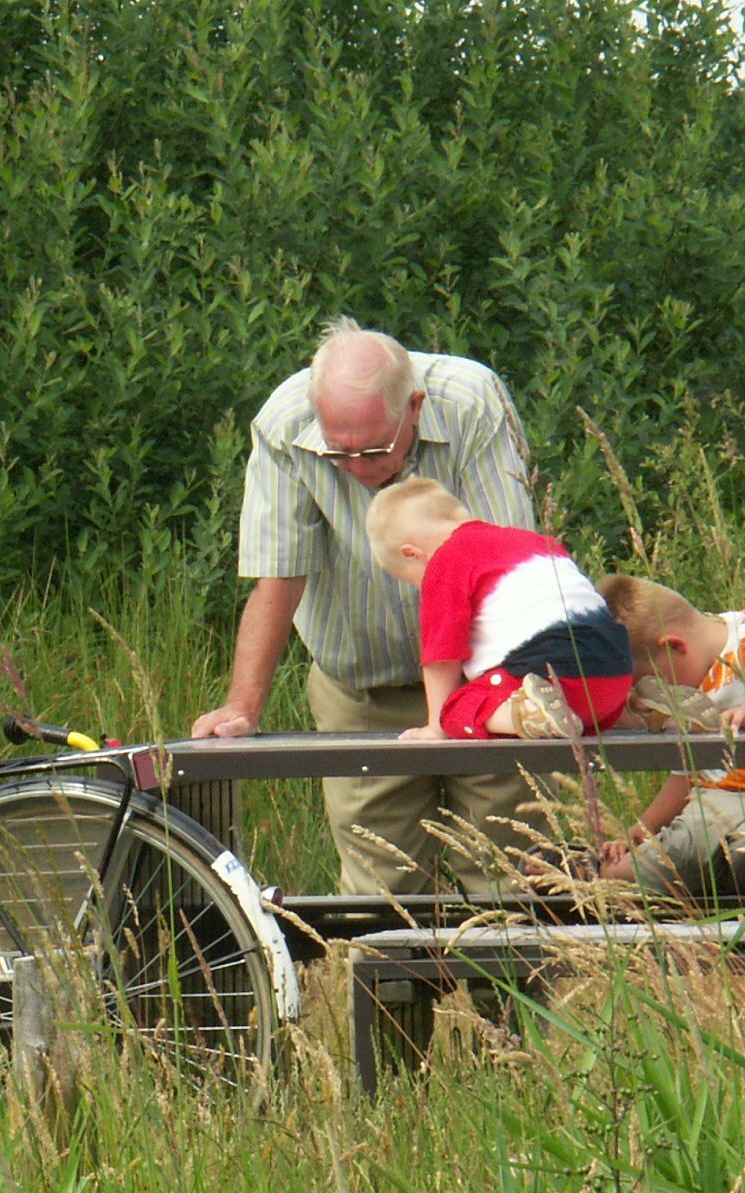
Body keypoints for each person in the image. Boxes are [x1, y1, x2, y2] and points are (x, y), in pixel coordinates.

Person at [190, 320, 545, 894]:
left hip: (489, 686)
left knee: (508, 881)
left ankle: (506, 987)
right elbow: (279, 577)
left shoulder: (471, 404)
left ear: (415, 408)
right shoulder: (285, 425)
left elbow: (505, 566)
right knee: (383, 897)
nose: (357, 468)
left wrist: (480, 700)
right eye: (340, 453)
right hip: (361, 691)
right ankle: (395, 987)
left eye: (374, 450)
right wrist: (242, 706)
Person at [591, 575, 745, 898]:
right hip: (711, 807)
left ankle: (734, 888)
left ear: (673, 646)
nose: (649, 696)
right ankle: (580, 865)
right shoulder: (684, 702)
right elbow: (685, 774)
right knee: (624, 876)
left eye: (650, 681)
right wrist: (639, 832)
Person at [365, 478, 634, 742]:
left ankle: (531, 713)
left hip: (554, 677)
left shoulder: (446, 560)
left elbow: (441, 657)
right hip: (616, 677)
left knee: (457, 709)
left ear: (412, 554)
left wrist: (436, 726)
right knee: (580, 692)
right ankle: (640, 710)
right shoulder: (539, 542)